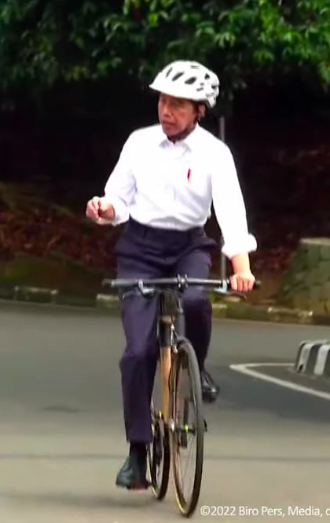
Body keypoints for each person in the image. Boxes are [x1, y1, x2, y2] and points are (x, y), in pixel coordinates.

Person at [85, 60, 257, 490]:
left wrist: (242, 269)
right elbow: (117, 200)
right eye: (163, 101)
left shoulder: (215, 154)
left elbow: (231, 213)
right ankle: (137, 452)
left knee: (197, 300)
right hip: (140, 249)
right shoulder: (139, 143)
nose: (167, 111)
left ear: (199, 110)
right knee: (137, 353)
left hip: (188, 246)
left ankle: (196, 367)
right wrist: (104, 210)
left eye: (178, 105)